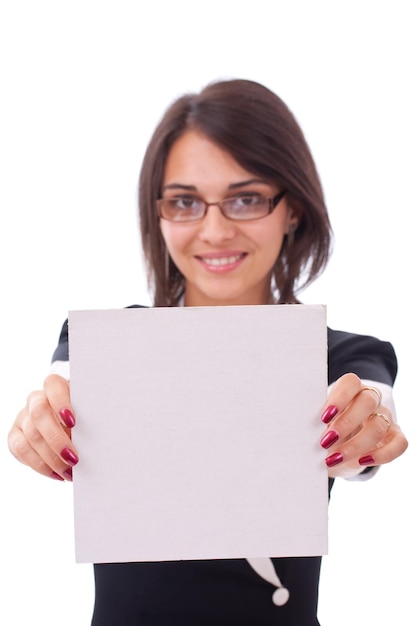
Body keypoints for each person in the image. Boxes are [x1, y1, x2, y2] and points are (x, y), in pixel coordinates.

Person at [8, 78, 408, 625]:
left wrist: (369, 427)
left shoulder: (342, 356)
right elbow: (55, 401)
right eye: (185, 202)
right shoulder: (103, 346)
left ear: (292, 210)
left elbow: (372, 408)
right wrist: (40, 426)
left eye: (246, 198)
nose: (214, 230)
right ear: (159, 214)